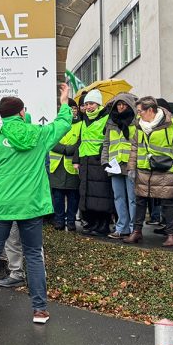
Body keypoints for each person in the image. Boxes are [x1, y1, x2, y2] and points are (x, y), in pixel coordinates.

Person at [0, 84, 73, 325]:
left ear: (2, 116)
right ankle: (39, 310)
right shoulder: (39, 134)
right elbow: (63, 124)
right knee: (33, 254)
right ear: (22, 113)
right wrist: (64, 102)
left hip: (2, 204)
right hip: (31, 204)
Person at [125, 97, 173, 245]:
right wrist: (131, 167)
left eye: (140, 111)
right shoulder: (139, 125)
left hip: (165, 169)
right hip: (143, 169)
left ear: (150, 110)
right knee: (140, 201)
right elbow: (134, 147)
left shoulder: (172, 124)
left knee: (167, 202)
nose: (138, 114)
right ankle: (136, 232)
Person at [100, 92, 139, 239]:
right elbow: (106, 143)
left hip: (130, 164)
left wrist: (136, 163)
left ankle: (134, 229)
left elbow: (140, 143)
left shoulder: (136, 122)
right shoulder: (111, 122)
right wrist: (105, 160)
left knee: (132, 198)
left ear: (129, 106)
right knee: (118, 197)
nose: (121, 107)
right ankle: (121, 227)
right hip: (114, 164)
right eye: (118, 105)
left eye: (124, 104)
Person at [76, 90, 114, 236]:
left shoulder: (106, 118)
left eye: (91, 103)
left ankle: (103, 224)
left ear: (98, 104)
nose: (88, 107)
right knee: (88, 194)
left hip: (99, 160)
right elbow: (81, 140)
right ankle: (93, 223)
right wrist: (77, 160)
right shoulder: (84, 119)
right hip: (85, 160)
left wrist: (101, 155)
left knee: (102, 194)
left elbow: (108, 140)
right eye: (86, 104)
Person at [47, 101, 81, 230]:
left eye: (74, 108)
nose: (72, 111)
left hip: (72, 166)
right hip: (57, 166)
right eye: (69, 108)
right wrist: (65, 149)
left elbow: (80, 143)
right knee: (58, 196)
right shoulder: (55, 124)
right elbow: (50, 141)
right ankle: (59, 220)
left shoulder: (81, 125)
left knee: (73, 196)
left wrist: (69, 150)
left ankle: (71, 221)